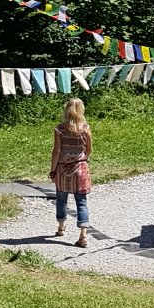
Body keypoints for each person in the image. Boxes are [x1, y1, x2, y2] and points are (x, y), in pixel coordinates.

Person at [49, 97, 93, 247]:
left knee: (61, 199)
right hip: (80, 169)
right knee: (81, 202)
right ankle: (83, 236)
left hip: (62, 169)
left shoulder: (59, 129)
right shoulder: (85, 128)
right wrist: (82, 161)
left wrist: (53, 170)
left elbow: (57, 151)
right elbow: (89, 150)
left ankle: (61, 228)